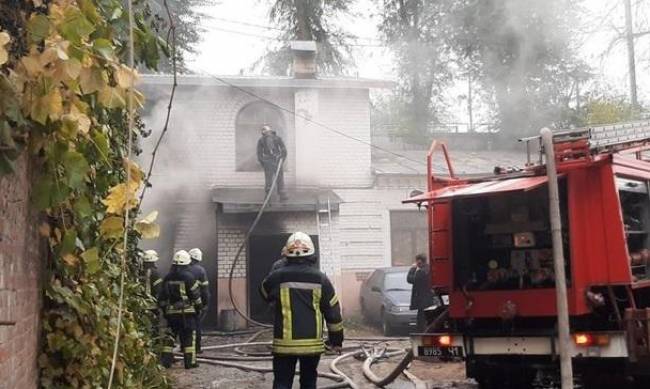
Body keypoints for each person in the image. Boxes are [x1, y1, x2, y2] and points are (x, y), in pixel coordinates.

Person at [260, 232, 344, 389]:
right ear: (312, 253)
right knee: (309, 382)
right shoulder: (321, 279)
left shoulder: (276, 276)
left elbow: (264, 294)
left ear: (287, 254)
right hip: (312, 346)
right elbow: (333, 314)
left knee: (282, 383)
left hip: (284, 345)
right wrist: (336, 341)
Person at [159, 250, 203, 369]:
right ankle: (190, 362)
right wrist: (199, 308)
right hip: (187, 314)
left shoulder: (167, 277)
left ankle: (165, 361)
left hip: (171, 314)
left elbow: (162, 298)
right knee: (188, 337)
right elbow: (195, 296)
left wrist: (165, 312)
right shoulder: (189, 277)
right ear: (187, 264)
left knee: (170, 337)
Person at [257, 125, 287, 200]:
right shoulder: (261, 140)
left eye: (267, 132)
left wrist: (282, 159)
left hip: (277, 160)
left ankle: (282, 195)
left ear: (270, 131)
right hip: (268, 161)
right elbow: (259, 153)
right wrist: (264, 163)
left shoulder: (277, 138)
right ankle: (268, 196)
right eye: (265, 133)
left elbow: (284, 150)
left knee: (280, 178)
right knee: (268, 180)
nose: (267, 134)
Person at [188, 248, 209, 354]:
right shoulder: (200, 270)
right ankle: (197, 348)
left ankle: (184, 347)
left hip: (180, 304)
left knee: (184, 327)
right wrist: (205, 304)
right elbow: (204, 290)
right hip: (196, 303)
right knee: (196, 326)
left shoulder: (182, 269)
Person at [407, 253, 434, 332]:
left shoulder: (421, 272)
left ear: (420, 261)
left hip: (422, 300)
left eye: (417, 262)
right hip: (429, 299)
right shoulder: (429, 269)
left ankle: (422, 333)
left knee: (421, 319)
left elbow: (410, 279)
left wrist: (412, 269)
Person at [142, 250, 163, 336]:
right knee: (154, 326)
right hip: (151, 305)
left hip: (140, 304)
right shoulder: (155, 272)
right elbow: (158, 290)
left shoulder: (139, 271)